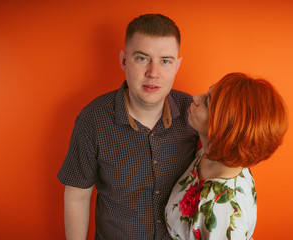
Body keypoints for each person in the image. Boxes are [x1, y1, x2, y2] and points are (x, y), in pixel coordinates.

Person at [58, 14, 198, 240]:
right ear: (123, 61)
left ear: (177, 65)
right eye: (142, 58)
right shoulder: (93, 119)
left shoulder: (194, 113)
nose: (153, 72)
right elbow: (77, 196)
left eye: (165, 61)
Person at [165, 72, 289, 240]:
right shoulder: (214, 155)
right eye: (207, 92)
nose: (195, 97)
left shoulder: (221, 209)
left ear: (224, 130)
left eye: (207, 102)